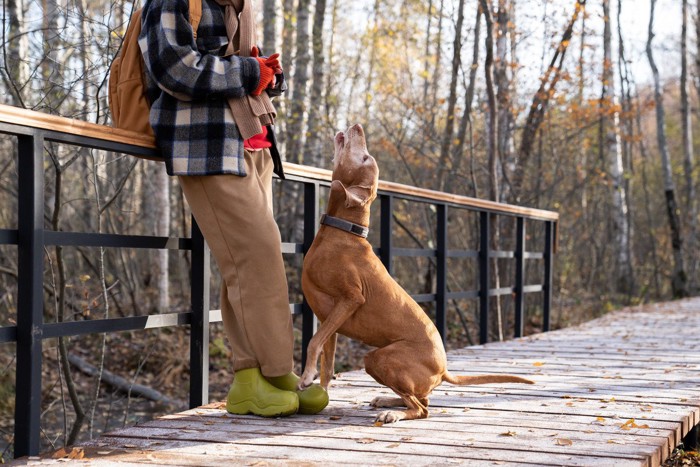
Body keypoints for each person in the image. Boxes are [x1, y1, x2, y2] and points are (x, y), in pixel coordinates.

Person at [138, 0, 328, 417]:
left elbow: (239, 67)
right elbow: (173, 67)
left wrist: (266, 74)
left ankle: (254, 379)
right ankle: (275, 372)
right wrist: (247, 71)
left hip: (253, 140)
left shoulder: (239, 6)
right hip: (205, 147)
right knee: (257, 256)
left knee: (247, 264)